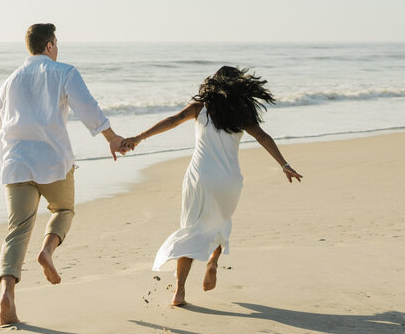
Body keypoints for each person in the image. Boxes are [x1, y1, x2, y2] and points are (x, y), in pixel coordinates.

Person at [123, 66, 302, 307]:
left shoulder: (200, 107)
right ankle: (213, 261)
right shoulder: (242, 113)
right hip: (229, 180)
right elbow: (263, 137)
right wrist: (284, 164)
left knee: (191, 228)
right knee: (221, 223)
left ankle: (179, 291)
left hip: (200, 177)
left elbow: (173, 121)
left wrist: (139, 137)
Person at [0, 23, 127, 327]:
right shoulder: (63, 71)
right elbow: (87, 108)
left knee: (17, 229)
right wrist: (112, 138)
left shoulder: (10, 80)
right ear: (50, 46)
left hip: (15, 163)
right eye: (56, 43)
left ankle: (7, 295)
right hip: (53, 161)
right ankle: (47, 251)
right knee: (63, 209)